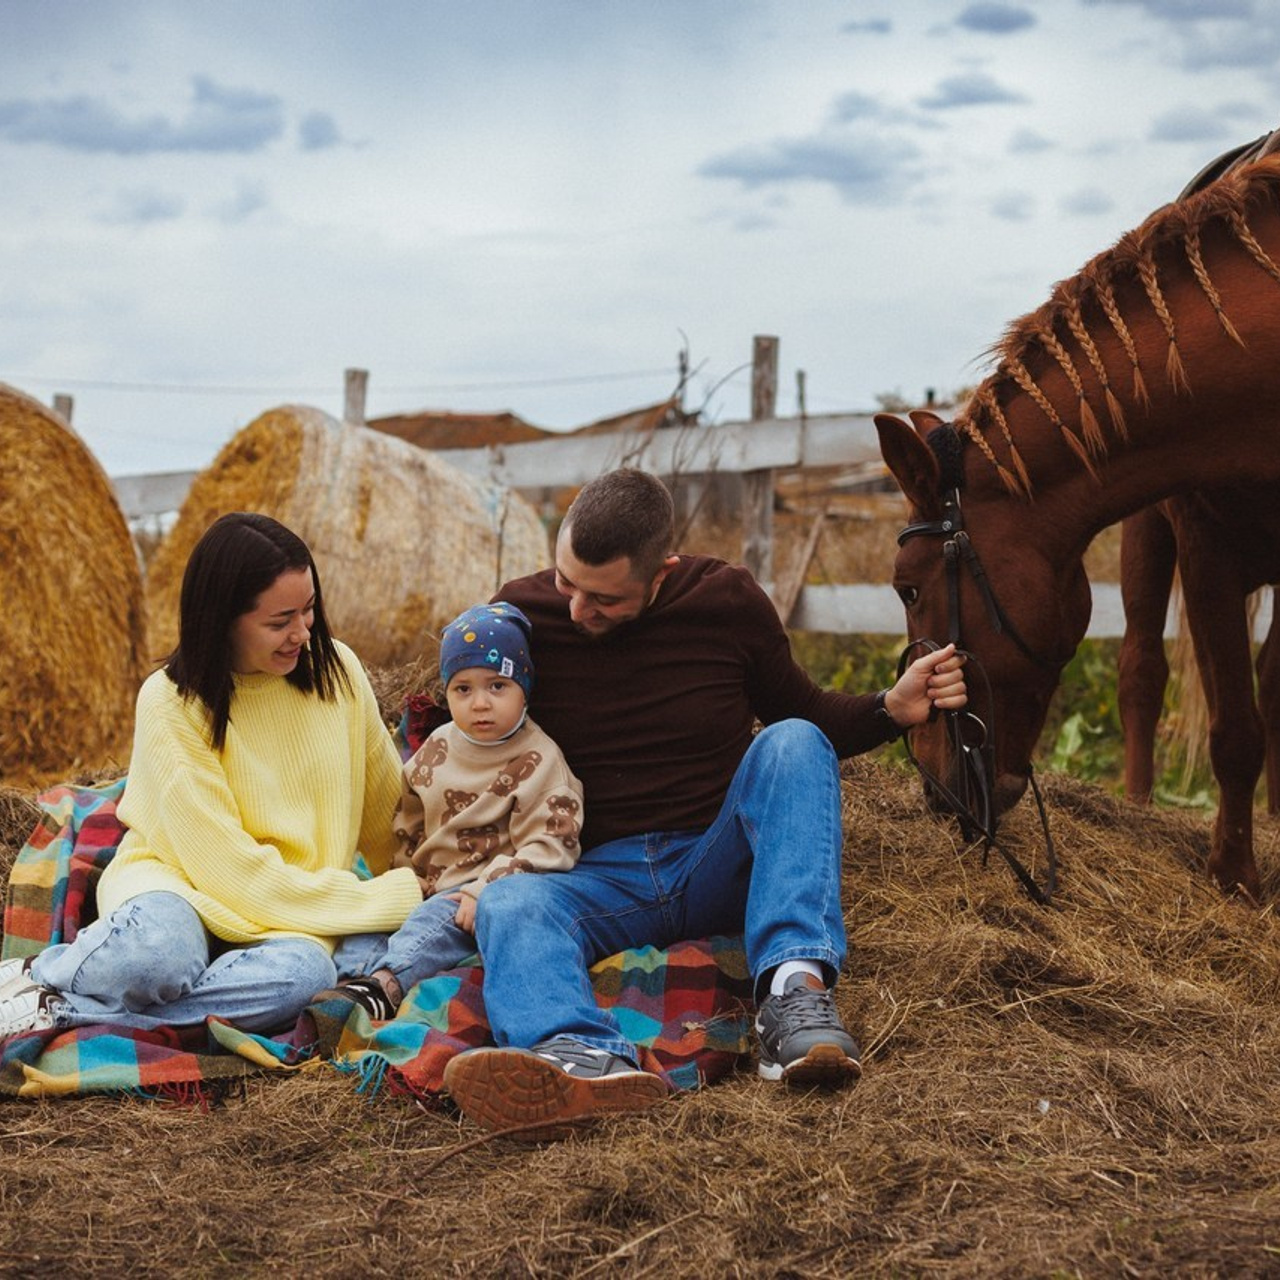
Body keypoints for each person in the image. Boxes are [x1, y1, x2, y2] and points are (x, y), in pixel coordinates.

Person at [440, 468, 968, 1135]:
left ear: (661, 571)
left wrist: (891, 709)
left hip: (717, 859)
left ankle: (793, 999)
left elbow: (802, 712)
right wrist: (478, 864)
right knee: (512, 902)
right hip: (595, 874)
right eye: (567, 582)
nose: (577, 610)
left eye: (604, 598)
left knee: (794, 742)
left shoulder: (727, 601)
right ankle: (579, 1060)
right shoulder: (523, 616)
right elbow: (478, 736)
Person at [0, 512, 424, 1039]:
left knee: (302, 979)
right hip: (181, 888)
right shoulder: (170, 700)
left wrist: (438, 878)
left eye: (310, 610)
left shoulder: (339, 672)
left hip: (288, 916)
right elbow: (233, 876)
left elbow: (389, 814)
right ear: (223, 619)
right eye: (280, 621)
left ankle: (62, 1007)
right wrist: (389, 898)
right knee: (156, 958)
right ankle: (44, 973)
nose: (302, 632)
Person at [312, 601, 585, 1019]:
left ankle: (385, 983)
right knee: (366, 919)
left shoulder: (540, 760)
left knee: (432, 929)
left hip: (472, 897)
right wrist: (403, 876)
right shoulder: (437, 747)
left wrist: (486, 888)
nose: (480, 703)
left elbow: (552, 845)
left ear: (524, 689)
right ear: (447, 691)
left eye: (497, 686)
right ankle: (347, 987)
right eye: (464, 689)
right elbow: (409, 818)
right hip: (424, 884)